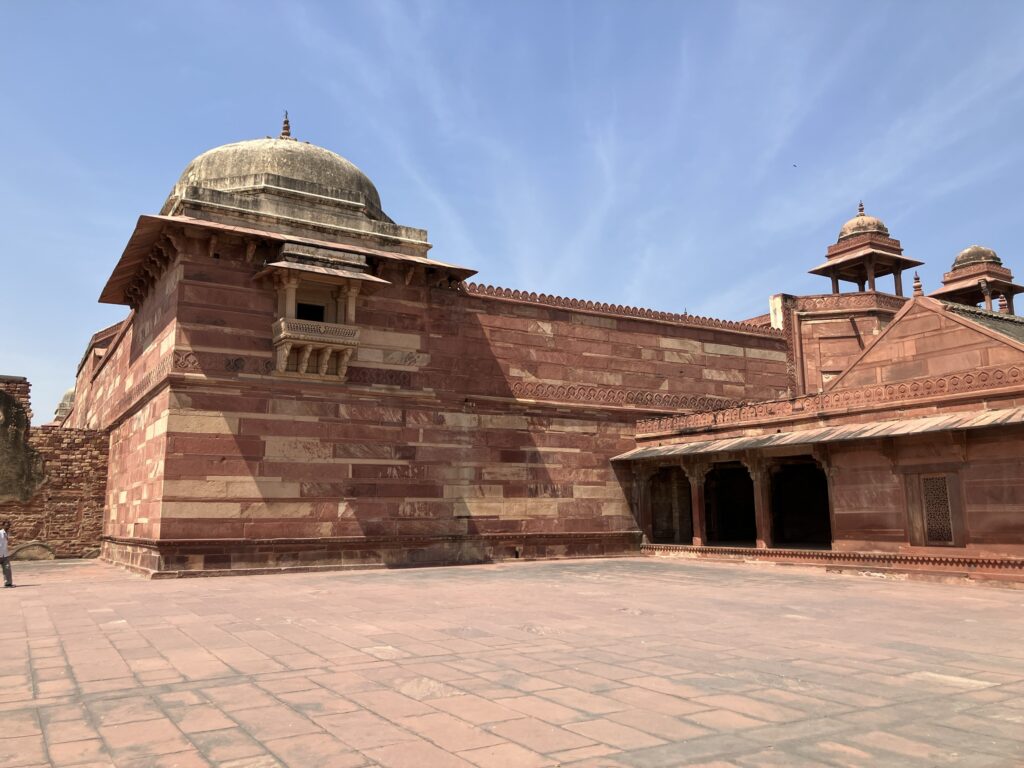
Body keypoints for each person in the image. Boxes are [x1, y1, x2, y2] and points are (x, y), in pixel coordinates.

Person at [0, 520, 13, 588]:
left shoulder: (8, 533)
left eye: (9, 525)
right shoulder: (0, 533)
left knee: (7, 569)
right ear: (3, 525)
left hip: (5, 554)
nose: (8, 526)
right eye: (6, 525)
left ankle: (8, 583)